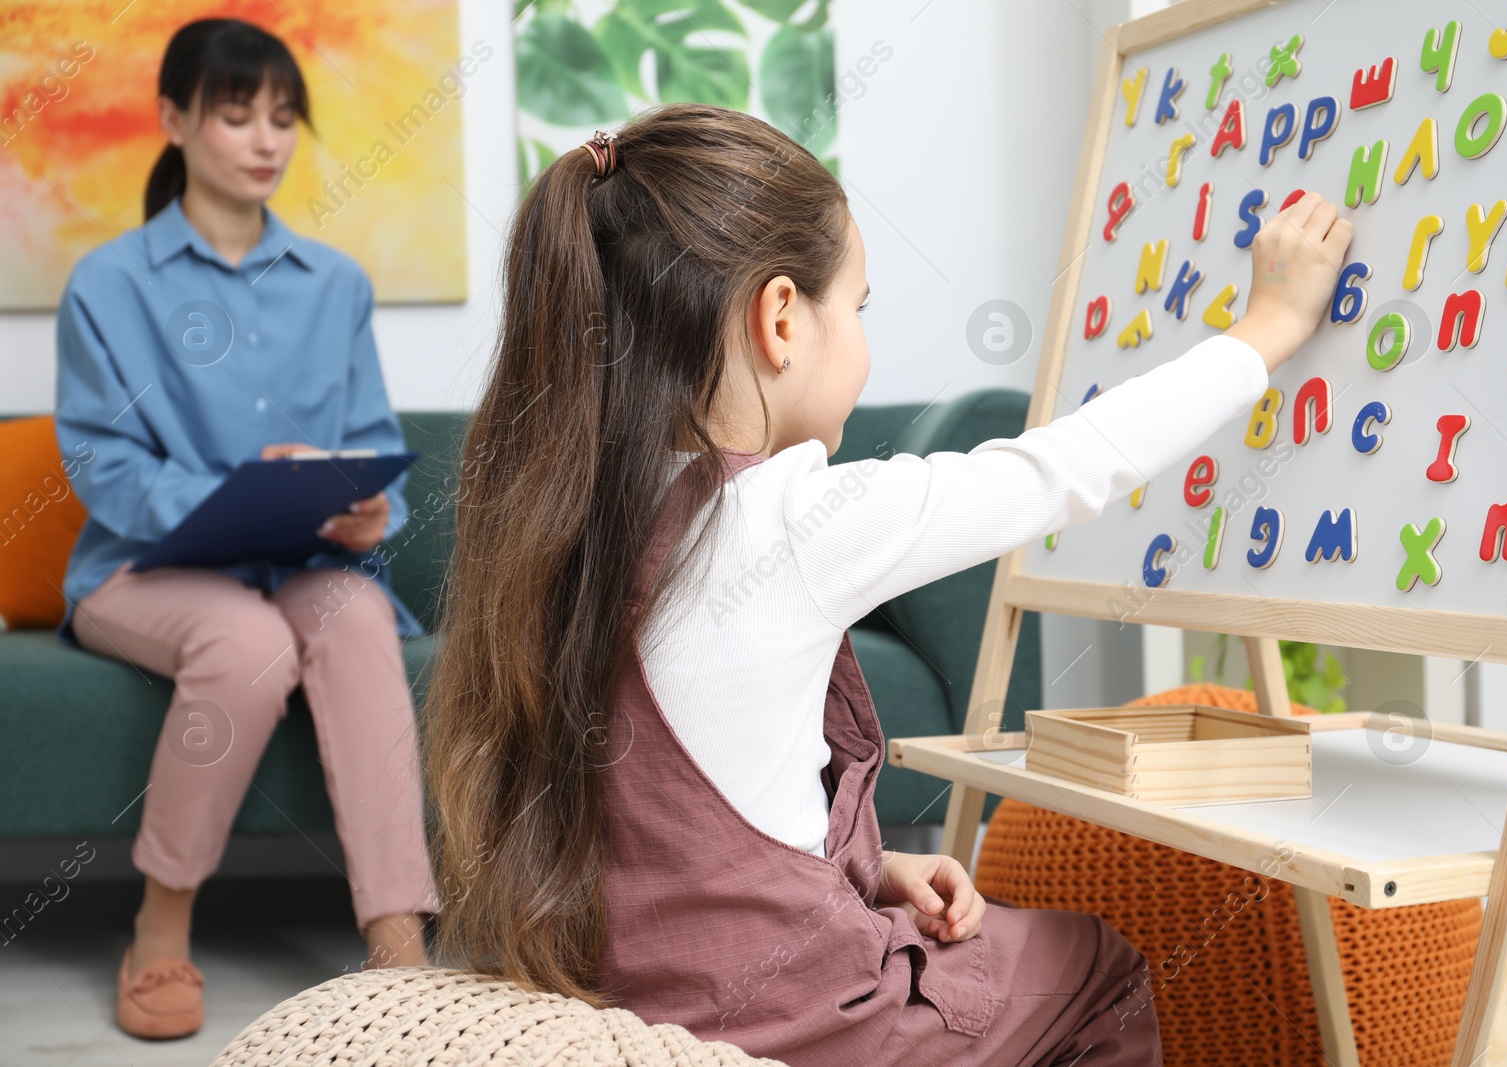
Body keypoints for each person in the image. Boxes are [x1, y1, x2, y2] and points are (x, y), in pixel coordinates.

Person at [421, 103, 1352, 1065]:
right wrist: (1269, 328)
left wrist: (870, 869)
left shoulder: (562, 524)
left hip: (632, 1001)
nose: (863, 341)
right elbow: (1062, 466)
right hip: (800, 1025)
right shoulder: (789, 521)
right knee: (1094, 963)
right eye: (858, 308)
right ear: (781, 319)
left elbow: (679, 830)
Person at [53, 17, 437, 1040]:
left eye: (281, 119)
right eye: (237, 116)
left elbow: (371, 452)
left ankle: (398, 944)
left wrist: (366, 512)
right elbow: (106, 468)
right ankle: (161, 919)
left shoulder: (337, 285)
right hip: (147, 570)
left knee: (354, 617)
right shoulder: (108, 285)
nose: (266, 140)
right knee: (246, 637)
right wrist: (232, 497)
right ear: (175, 120)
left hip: (304, 560)